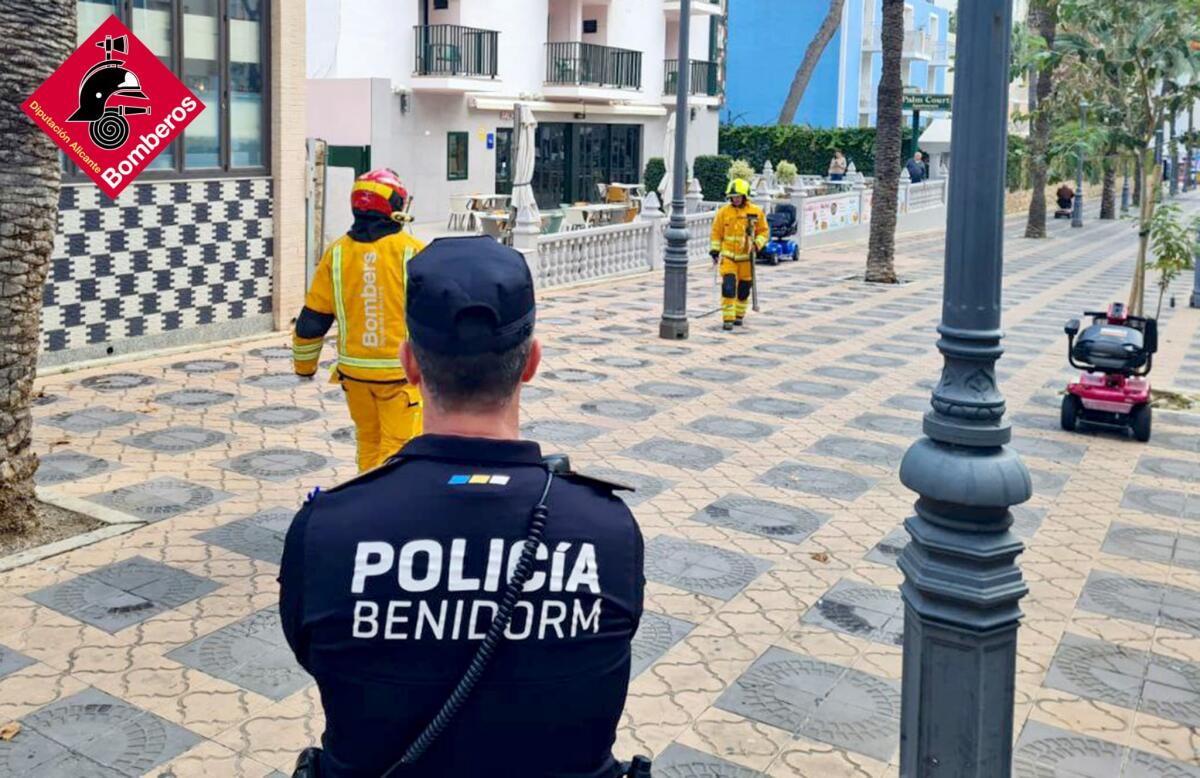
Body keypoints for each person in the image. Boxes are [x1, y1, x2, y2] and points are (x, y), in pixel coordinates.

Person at [279, 235, 646, 778]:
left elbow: (317, 657)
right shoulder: (607, 529)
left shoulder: (328, 530)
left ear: (409, 363)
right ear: (532, 362)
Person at [292, 169, 425, 472]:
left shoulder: (337, 253)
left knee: (368, 442)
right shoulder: (413, 253)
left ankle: (364, 499)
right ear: (395, 207)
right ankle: (388, 512)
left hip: (354, 376)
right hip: (401, 378)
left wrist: (304, 368)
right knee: (399, 451)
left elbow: (312, 320)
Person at [710, 178, 768, 331]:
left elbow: (764, 231)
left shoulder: (755, 212)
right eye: (732, 196)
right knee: (728, 288)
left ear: (745, 196)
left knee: (743, 290)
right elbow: (716, 232)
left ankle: (738, 316)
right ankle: (727, 319)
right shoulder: (723, 212)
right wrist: (715, 250)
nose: (735, 199)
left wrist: (757, 244)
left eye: (738, 196)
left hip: (747, 260)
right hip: (729, 257)